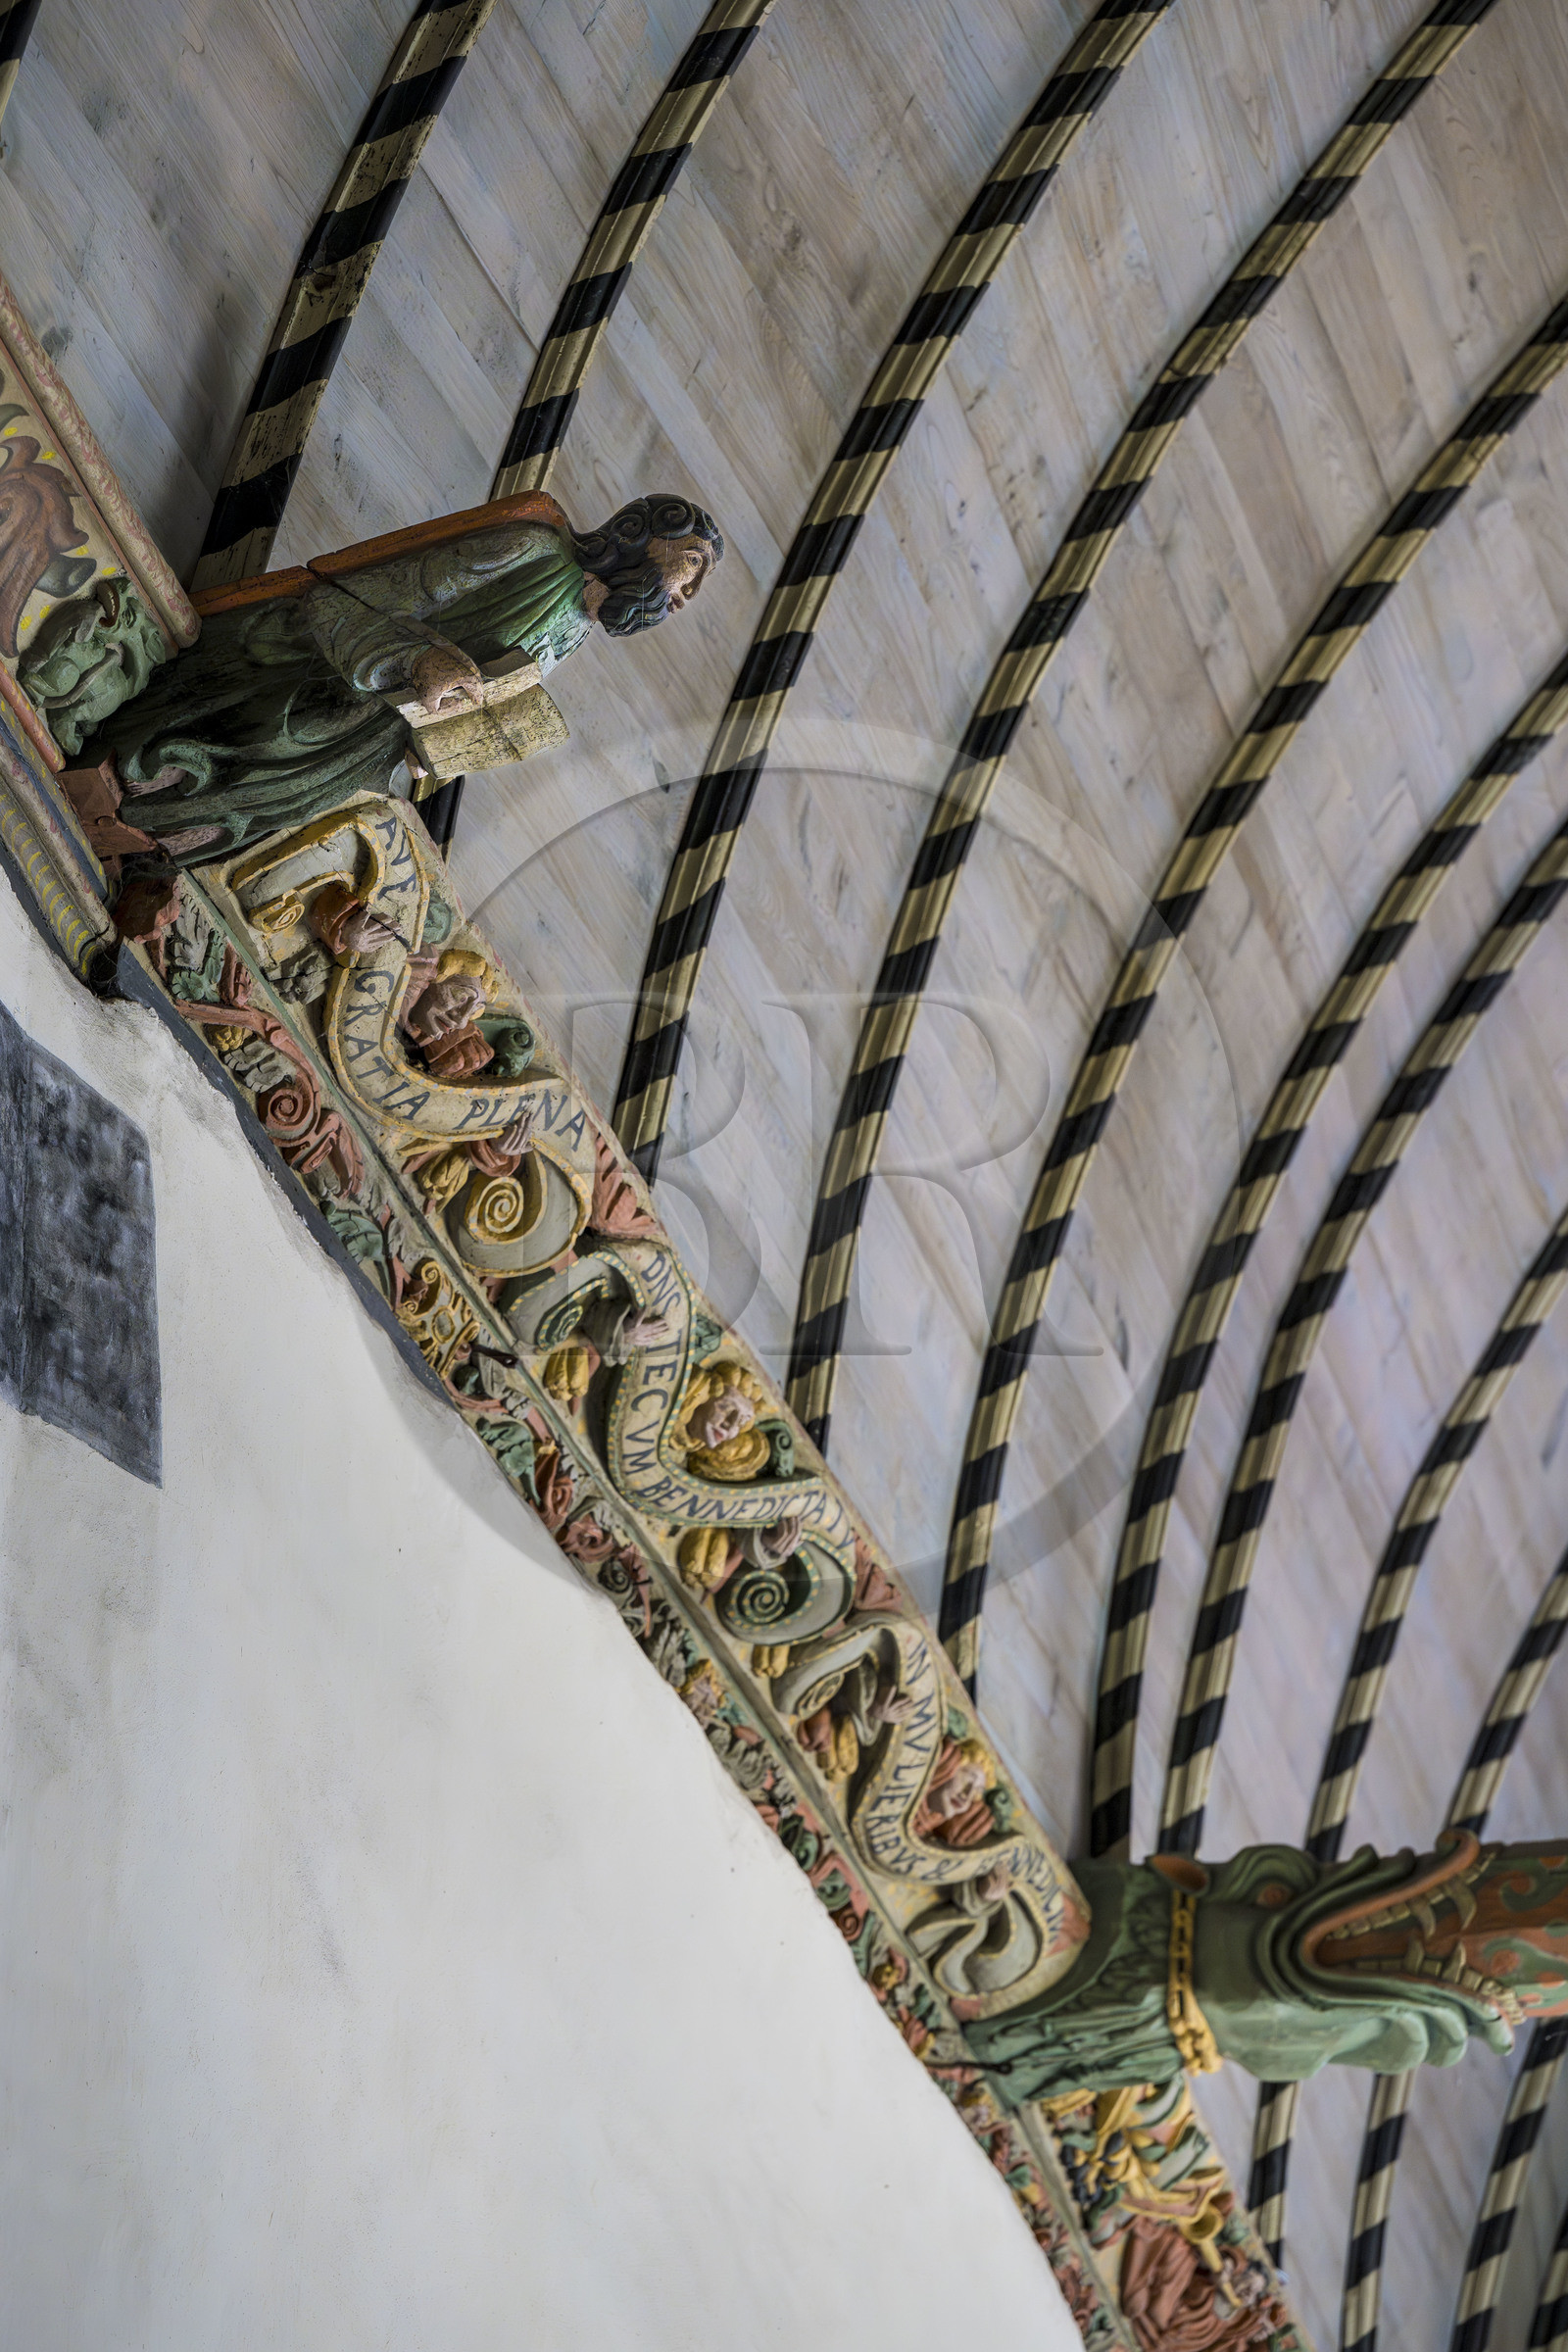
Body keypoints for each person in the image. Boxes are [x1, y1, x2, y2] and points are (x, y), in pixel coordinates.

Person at [84, 493, 722, 861]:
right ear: (642, 538)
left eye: (695, 584)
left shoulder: (577, 628)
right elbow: (352, 598)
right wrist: (418, 659)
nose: (686, 596)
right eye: (688, 566)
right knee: (305, 727)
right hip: (324, 659)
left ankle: (163, 837)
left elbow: (489, 695)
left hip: (386, 725)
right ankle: (142, 779)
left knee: (333, 786)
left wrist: (443, 746)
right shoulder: (532, 550)